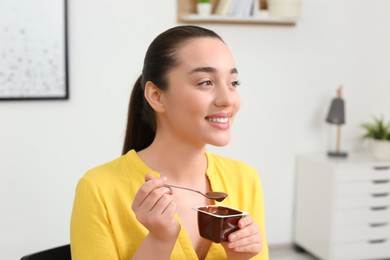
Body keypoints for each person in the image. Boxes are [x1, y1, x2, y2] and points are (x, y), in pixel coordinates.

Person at [70, 25, 268, 260]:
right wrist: (159, 239)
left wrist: (240, 257)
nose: (227, 99)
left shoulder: (245, 178)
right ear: (156, 96)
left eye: (233, 83)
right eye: (205, 82)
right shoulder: (98, 189)